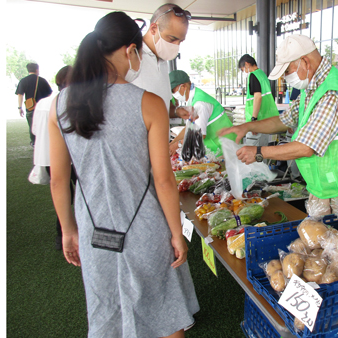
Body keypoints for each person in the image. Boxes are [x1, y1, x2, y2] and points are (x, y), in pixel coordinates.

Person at [48, 12, 199, 337]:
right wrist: (177, 233)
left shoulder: (60, 104)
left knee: (107, 312)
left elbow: (59, 180)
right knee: (166, 312)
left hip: (92, 228)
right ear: (130, 50)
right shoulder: (148, 103)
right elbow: (163, 179)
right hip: (144, 226)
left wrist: (68, 230)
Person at [220, 35, 338, 215]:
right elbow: (284, 120)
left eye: (288, 71)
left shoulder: (332, 93)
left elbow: (306, 147)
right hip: (320, 184)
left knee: (337, 240)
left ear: (305, 62)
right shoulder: (311, 88)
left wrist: (258, 152)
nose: (287, 78)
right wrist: (248, 126)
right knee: (317, 238)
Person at [31, 65, 77, 250]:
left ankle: (62, 235)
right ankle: (74, 232)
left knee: (61, 192)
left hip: (47, 155)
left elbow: (34, 130)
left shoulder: (43, 102)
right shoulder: (70, 102)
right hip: (69, 157)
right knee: (80, 192)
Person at [131, 3, 191, 126]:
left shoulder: (163, 60)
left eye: (180, 41)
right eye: (172, 39)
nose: (175, 46)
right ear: (153, 29)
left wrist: (176, 111)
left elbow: (163, 105)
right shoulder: (133, 58)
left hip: (159, 140)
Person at [168, 70, 236, 156]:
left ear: (183, 87)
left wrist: (178, 145)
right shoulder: (192, 99)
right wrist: (172, 143)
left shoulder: (199, 104)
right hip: (217, 147)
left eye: (173, 91)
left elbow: (199, 135)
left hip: (224, 149)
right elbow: (189, 127)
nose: (173, 94)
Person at [238, 54, 280, 147]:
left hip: (258, 120)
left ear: (247, 64)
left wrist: (254, 120)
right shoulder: (262, 74)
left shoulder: (253, 75)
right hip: (266, 120)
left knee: (252, 153)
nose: (244, 71)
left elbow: (258, 97)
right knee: (262, 152)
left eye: (243, 69)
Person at [16, 63, 53, 146]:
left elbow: (20, 95)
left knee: (32, 126)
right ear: (37, 70)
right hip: (43, 108)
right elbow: (49, 94)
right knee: (43, 126)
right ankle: (44, 142)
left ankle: (34, 143)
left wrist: (20, 107)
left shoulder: (23, 81)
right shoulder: (42, 80)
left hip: (30, 108)